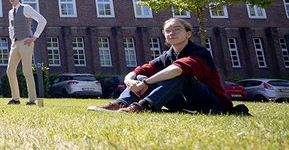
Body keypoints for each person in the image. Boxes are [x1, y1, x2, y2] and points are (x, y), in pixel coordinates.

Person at [88, 17, 233, 114]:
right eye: (167, 31)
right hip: (182, 102)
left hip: (210, 102)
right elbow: (141, 70)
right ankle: (120, 104)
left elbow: (177, 70)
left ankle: (144, 106)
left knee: (182, 75)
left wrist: (146, 83)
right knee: (139, 76)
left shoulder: (199, 53)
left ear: (188, 34)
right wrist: (130, 80)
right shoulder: (167, 56)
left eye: (177, 29)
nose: (171, 33)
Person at [5, 0, 47, 105]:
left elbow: (42, 21)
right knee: (10, 71)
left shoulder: (26, 8)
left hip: (26, 42)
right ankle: (15, 98)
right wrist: (12, 40)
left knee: (27, 71)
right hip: (15, 43)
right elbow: (11, 27)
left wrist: (34, 37)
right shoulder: (10, 12)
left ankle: (32, 99)